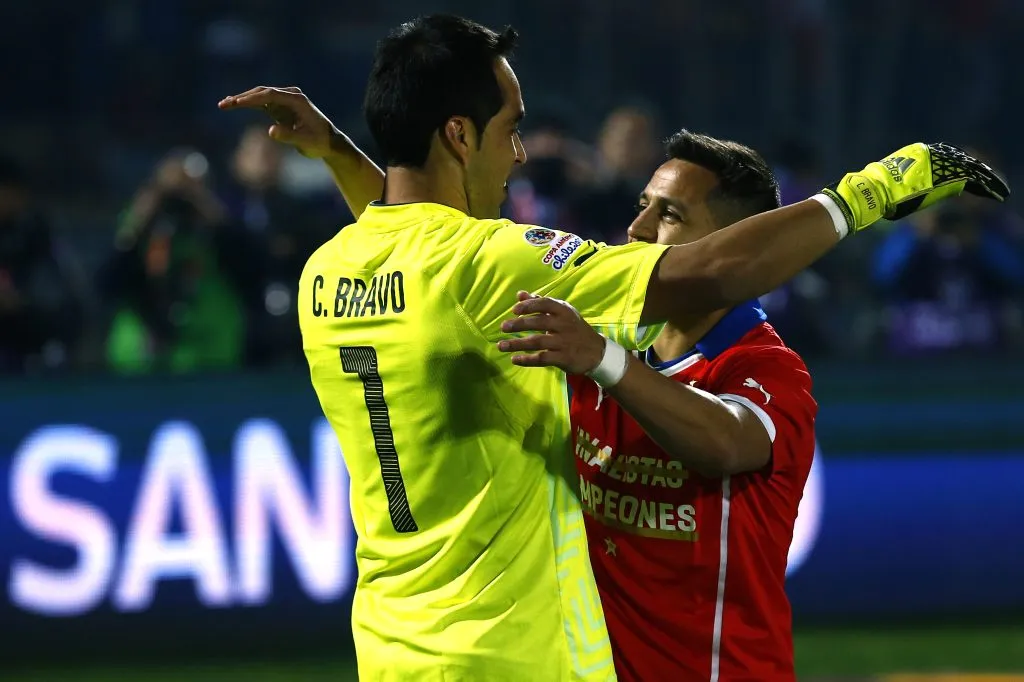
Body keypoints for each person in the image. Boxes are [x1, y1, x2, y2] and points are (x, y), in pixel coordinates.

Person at [218, 14, 1008, 682]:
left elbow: (407, 240)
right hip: (512, 650)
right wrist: (875, 189)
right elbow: (718, 269)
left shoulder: (331, 271)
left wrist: (338, 154)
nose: (520, 154)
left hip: (391, 646)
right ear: (459, 135)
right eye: (510, 129)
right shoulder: (490, 265)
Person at [499, 132, 813, 681]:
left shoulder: (765, 368)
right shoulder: (604, 340)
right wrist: (338, 153)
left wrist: (602, 359)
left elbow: (725, 443)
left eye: (669, 215)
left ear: (730, 250)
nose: (637, 230)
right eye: (643, 205)